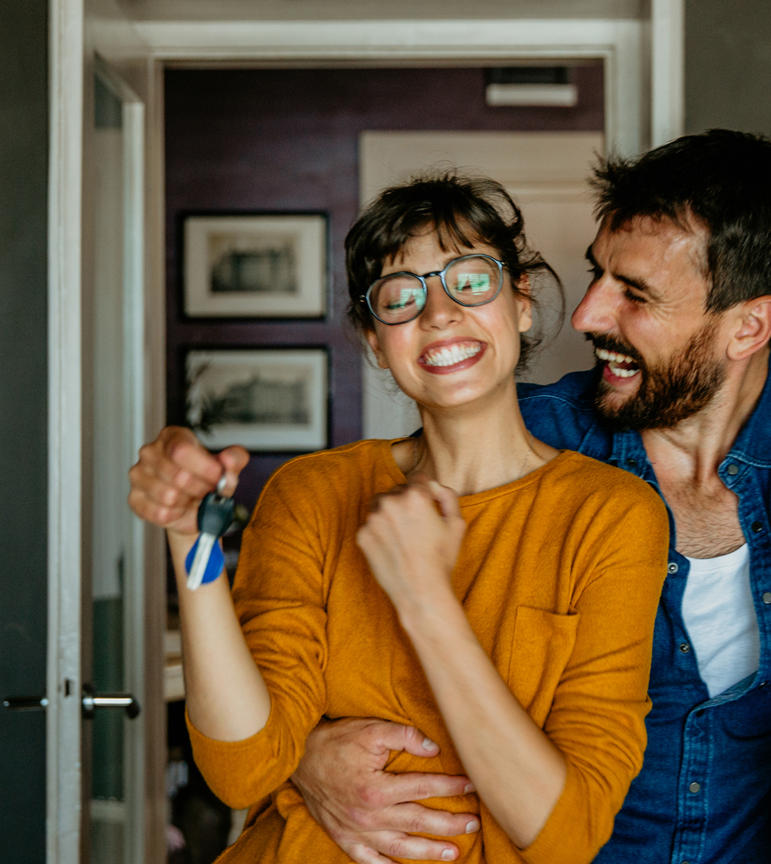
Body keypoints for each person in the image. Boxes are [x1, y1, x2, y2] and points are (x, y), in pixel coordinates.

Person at [134, 131, 771, 864]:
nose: (588, 311)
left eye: (633, 295)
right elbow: (330, 600)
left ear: (747, 326)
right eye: (596, 274)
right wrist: (304, 758)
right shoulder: (530, 437)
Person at [130, 175, 670, 864]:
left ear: (522, 302)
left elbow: (565, 833)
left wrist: (425, 601)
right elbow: (243, 770)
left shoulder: (612, 517)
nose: (439, 313)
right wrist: (189, 536)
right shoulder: (312, 493)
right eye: (400, 296)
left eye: (470, 280)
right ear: (375, 341)